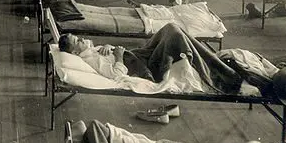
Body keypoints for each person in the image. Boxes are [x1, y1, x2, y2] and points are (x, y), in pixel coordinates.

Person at [58, 23, 244, 94]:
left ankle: (214, 66)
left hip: (139, 55)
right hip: (145, 67)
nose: (82, 39)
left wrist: (107, 47)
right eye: (78, 41)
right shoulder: (91, 60)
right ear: (75, 53)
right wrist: (118, 55)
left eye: (79, 37)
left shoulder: (90, 50)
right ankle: (221, 76)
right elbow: (115, 75)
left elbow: (104, 51)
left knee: (171, 27)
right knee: (175, 36)